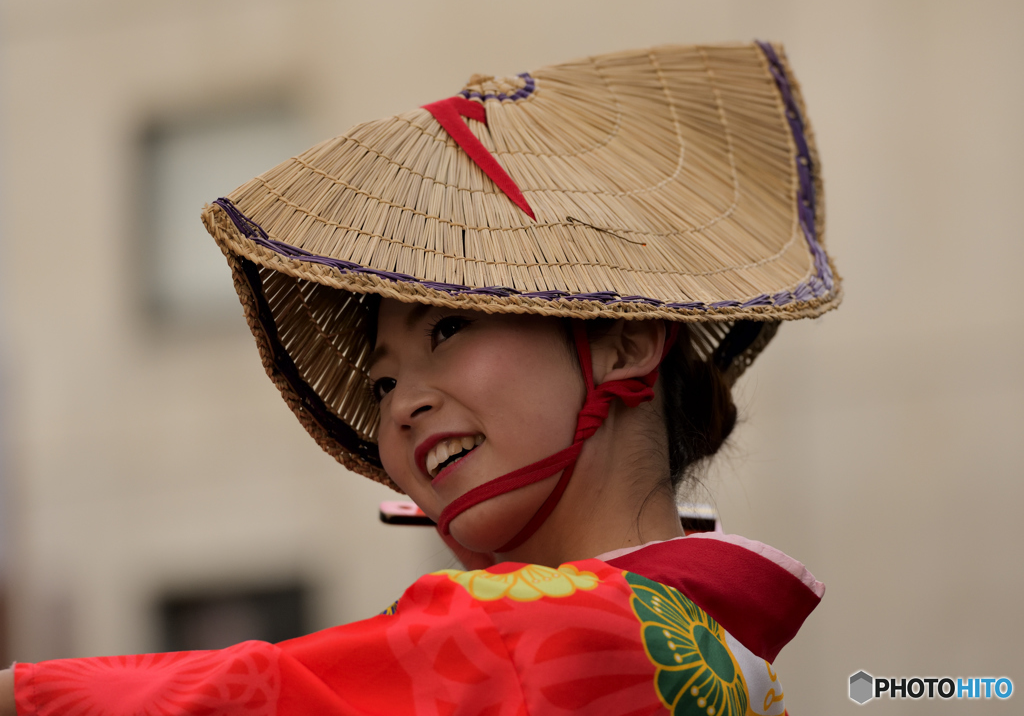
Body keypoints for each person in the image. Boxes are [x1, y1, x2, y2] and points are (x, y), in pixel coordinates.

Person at [1, 41, 840, 715]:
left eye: (447, 328)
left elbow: (245, 699)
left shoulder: (570, 629)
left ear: (624, 343)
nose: (402, 404)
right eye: (379, 384)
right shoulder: (712, 647)